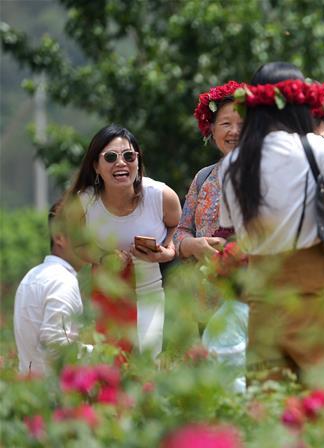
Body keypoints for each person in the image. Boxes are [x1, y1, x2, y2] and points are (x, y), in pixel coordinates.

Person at [219, 62, 324, 381]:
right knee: (320, 396)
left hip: (261, 294)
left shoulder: (231, 164)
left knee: (268, 399)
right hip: (312, 289)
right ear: (299, 105)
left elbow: (234, 230)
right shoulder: (310, 147)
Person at [71, 125, 181, 358]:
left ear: (138, 161)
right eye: (111, 157)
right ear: (96, 166)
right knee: (112, 362)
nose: (121, 163)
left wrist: (168, 250)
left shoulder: (161, 195)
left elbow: (180, 227)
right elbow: (77, 245)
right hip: (107, 292)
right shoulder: (83, 204)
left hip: (153, 287)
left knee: (150, 361)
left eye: (129, 156)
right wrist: (103, 257)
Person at [14, 199, 89, 376]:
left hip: (30, 392)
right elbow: (55, 347)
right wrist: (100, 353)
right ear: (59, 238)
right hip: (53, 397)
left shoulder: (32, 275)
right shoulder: (62, 281)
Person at [174, 80, 245, 260]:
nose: (234, 131)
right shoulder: (203, 177)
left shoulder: (267, 175)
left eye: (242, 124)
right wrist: (192, 244)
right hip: (202, 283)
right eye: (226, 124)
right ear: (212, 129)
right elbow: (181, 231)